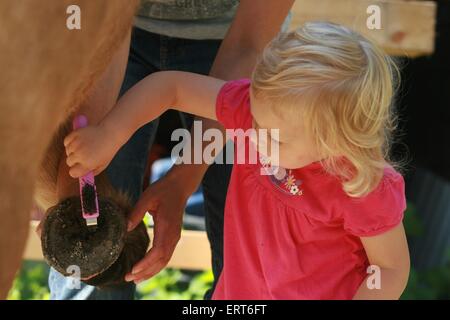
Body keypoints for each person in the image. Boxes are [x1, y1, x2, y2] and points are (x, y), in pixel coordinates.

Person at [65, 22, 411, 299]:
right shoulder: (259, 112)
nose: (253, 136)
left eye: (274, 137)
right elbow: (170, 88)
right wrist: (110, 133)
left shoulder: (361, 186)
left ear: (335, 142)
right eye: (255, 120)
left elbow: (390, 269)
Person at [49, 0, 294, 299]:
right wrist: (74, 179)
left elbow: (248, 44)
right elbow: (106, 19)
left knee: (245, 262)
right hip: (114, 30)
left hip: (237, 41)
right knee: (93, 268)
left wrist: (182, 181)